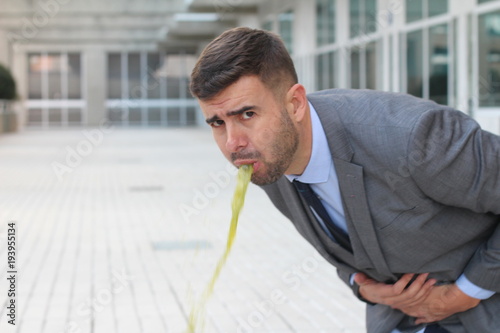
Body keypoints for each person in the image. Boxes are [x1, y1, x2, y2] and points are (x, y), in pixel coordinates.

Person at [189, 27, 500, 333]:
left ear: (295, 104)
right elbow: (345, 240)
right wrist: (363, 287)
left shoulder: (412, 136)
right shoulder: (267, 160)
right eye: (217, 122)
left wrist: (466, 292)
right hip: (396, 319)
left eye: (247, 115)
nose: (233, 143)